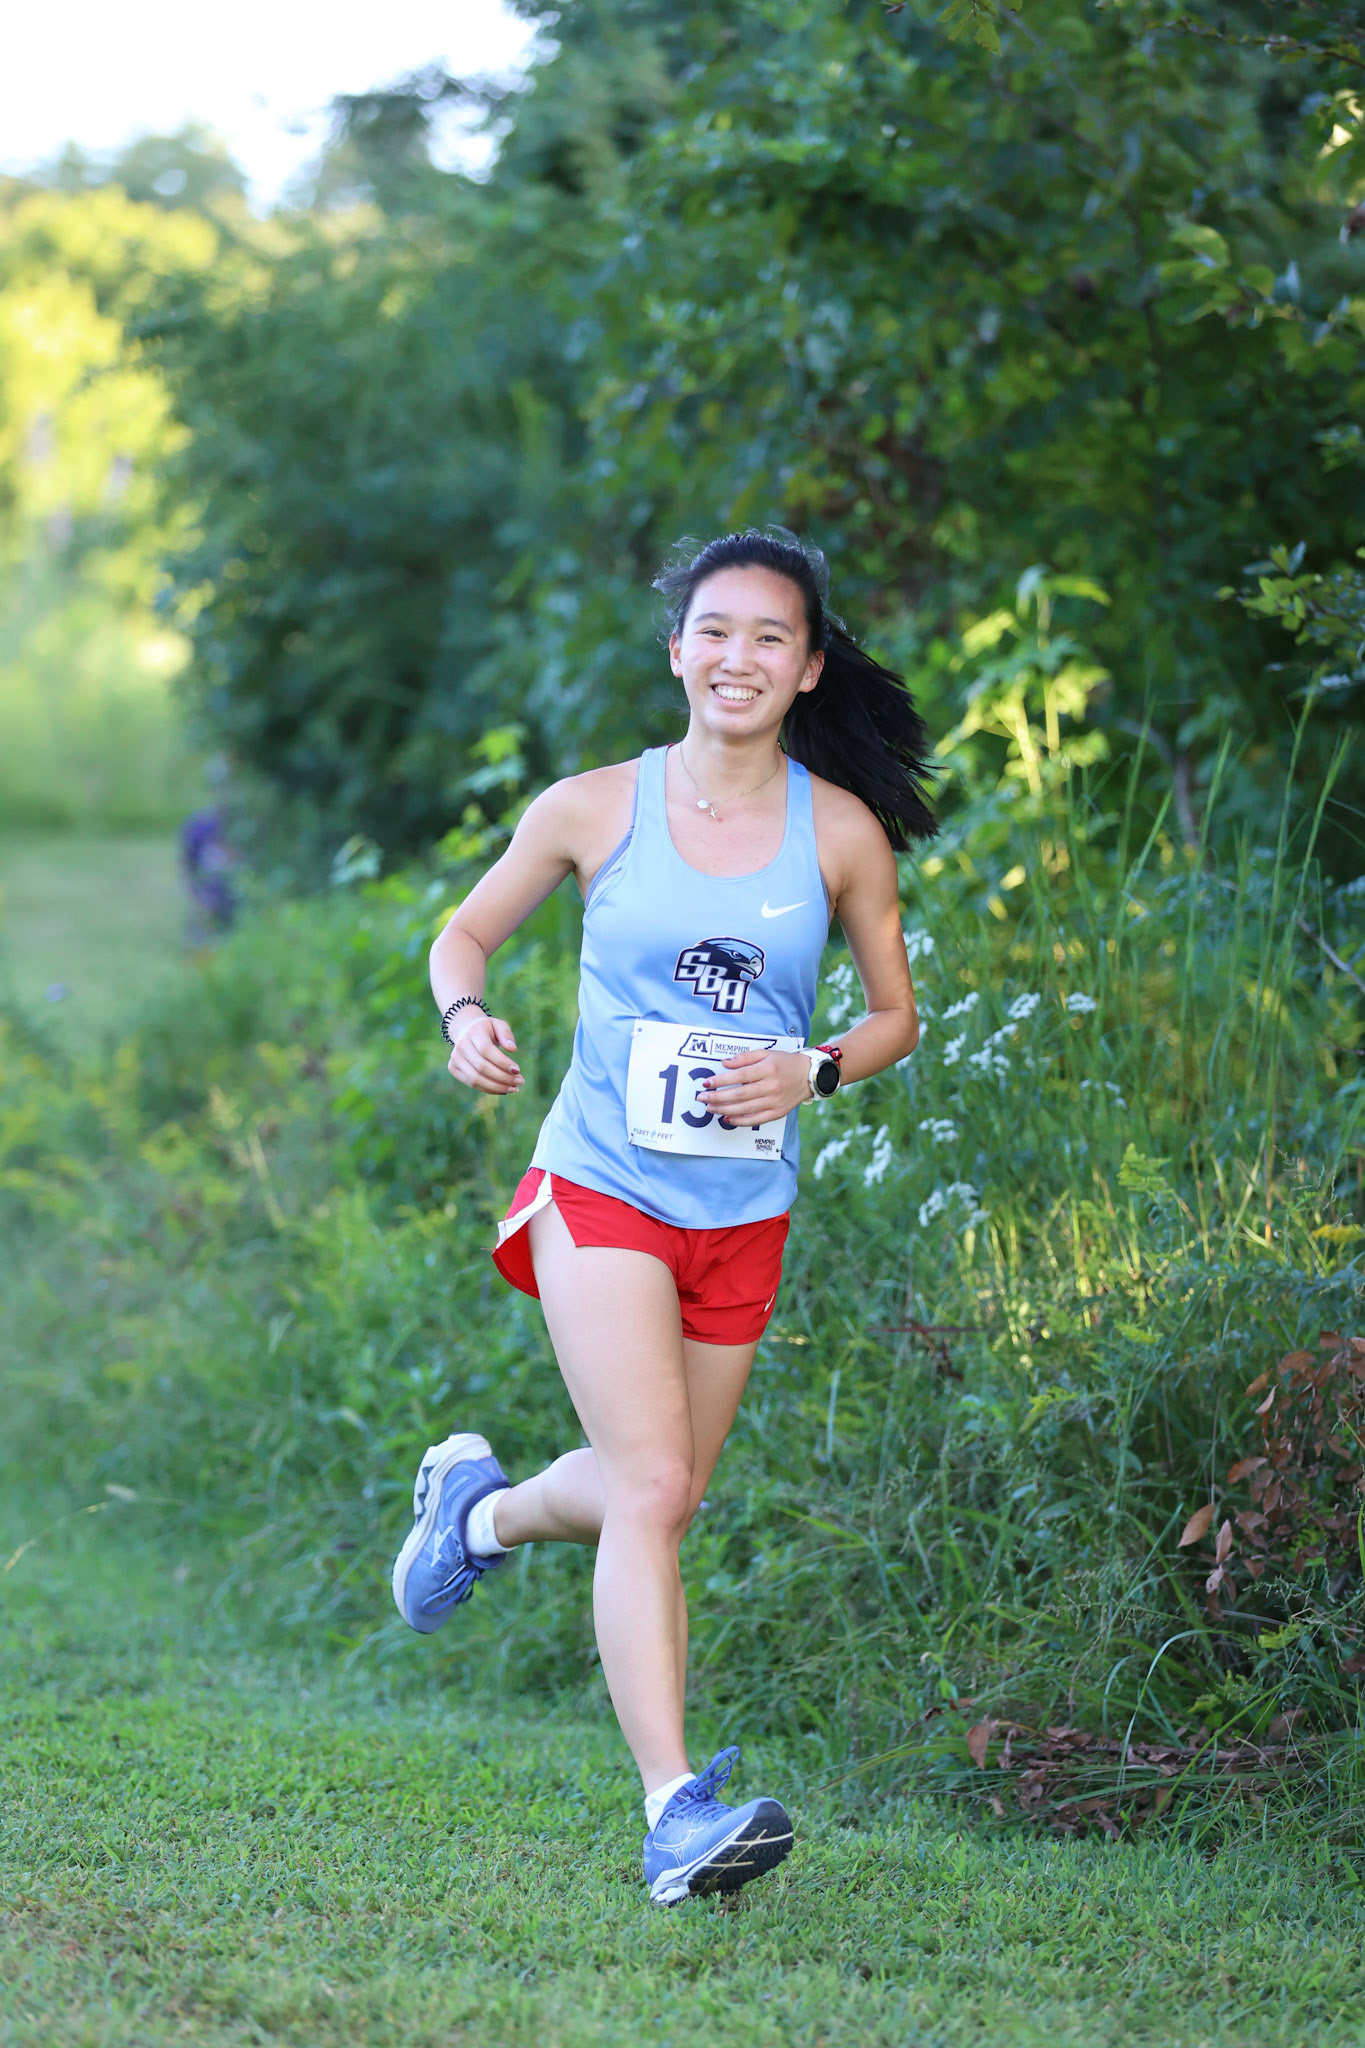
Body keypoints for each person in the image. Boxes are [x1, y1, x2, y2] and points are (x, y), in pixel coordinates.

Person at [391, 528, 935, 1905]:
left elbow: (891, 1020)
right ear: (675, 648)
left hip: (740, 1210)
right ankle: (673, 1811)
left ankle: (480, 1517)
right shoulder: (592, 808)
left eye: (769, 636)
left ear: (808, 666)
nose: (736, 656)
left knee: (664, 1493)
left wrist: (812, 1066)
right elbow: (461, 937)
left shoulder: (841, 833)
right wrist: (466, 1015)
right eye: (714, 630)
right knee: (648, 1489)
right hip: (599, 1186)